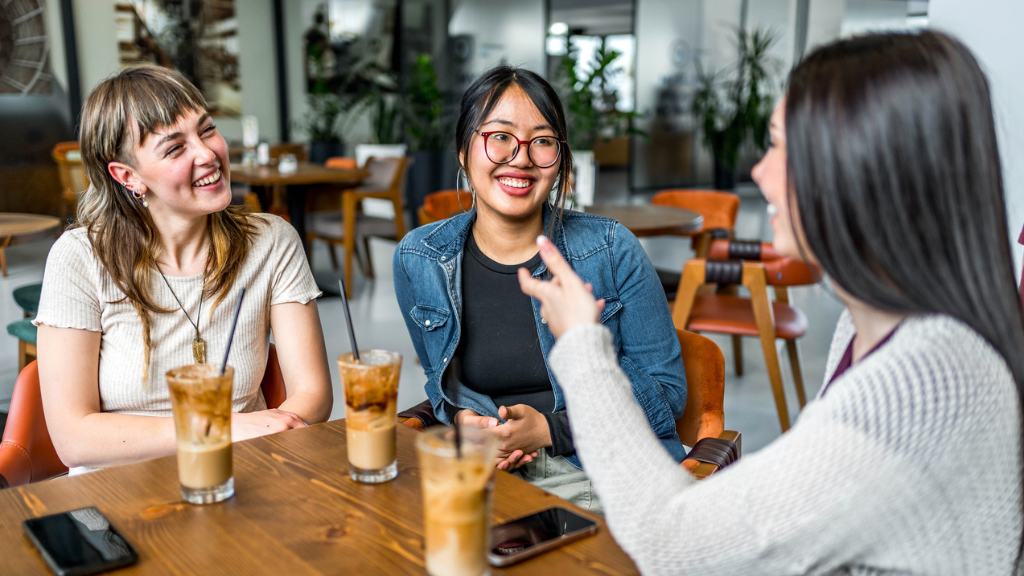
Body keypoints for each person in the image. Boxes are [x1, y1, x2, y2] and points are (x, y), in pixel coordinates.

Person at [520, 31, 1024, 574]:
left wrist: (581, 347)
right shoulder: (886, 331)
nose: (759, 173)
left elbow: (671, 540)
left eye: (782, 146)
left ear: (863, 168)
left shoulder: (916, 393)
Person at [394, 66, 687, 511]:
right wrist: (462, 420)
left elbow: (668, 394)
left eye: (543, 141)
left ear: (561, 158)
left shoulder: (610, 248)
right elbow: (441, 382)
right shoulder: (420, 259)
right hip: (480, 473)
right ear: (463, 150)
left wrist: (551, 430)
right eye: (500, 136)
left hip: (597, 473)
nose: (521, 157)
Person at [35, 65, 333, 476]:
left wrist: (267, 431)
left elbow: (312, 394)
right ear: (128, 176)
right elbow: (73, 439)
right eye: (175, 148)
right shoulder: (81, 258)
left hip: (245, 475)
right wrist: (219, 430)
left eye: (207, 129)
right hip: (119, 495)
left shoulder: (272, 240)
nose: (208, 153)